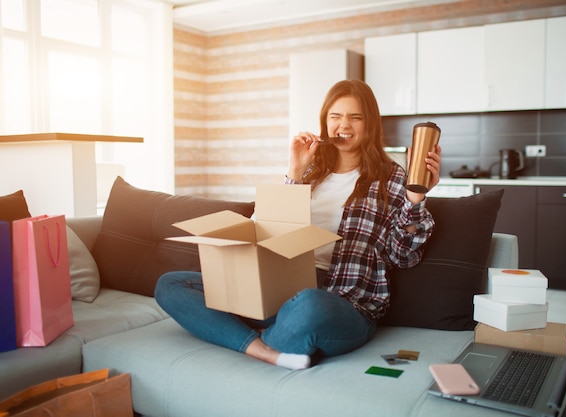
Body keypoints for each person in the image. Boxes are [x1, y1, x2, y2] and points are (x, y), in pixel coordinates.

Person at [155, 79, 441, 370]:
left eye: (355, 117)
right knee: (171, 284)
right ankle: (263, 349)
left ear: (370, 124)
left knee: (309, 305)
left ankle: (242, 333)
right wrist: (295, 171)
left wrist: (415, 199)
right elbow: (269, 229)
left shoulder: (393, 178)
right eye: (335, 116)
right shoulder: (312, 170)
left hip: (340, 303)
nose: (344, 125)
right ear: (325, 121)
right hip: (279, 289)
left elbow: (403, 257)